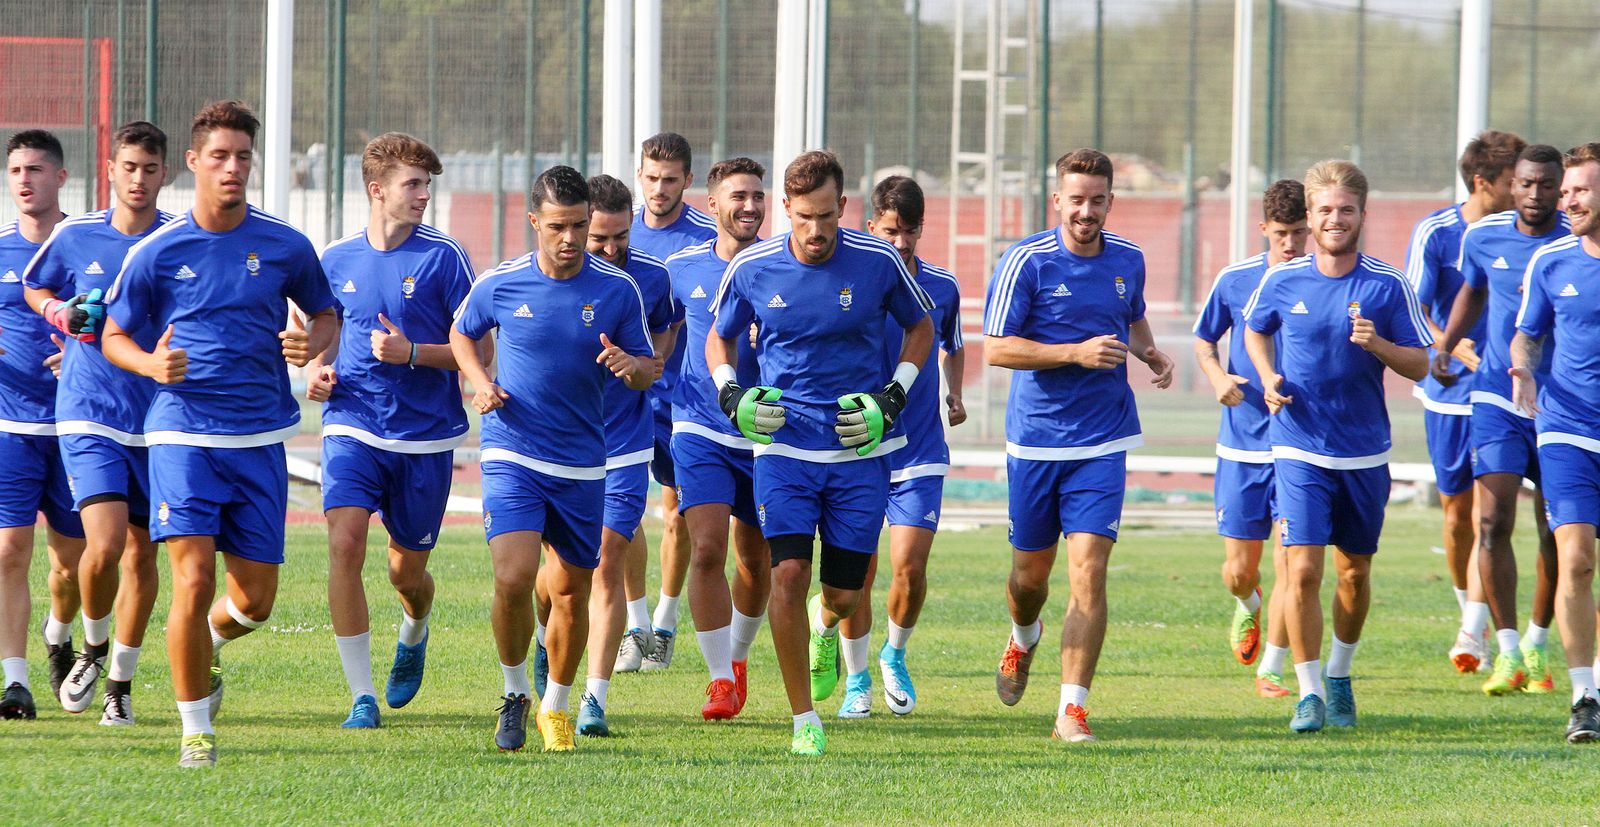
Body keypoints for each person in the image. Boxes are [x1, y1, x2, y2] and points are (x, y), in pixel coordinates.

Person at [102, 100, 339, 766]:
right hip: (181, 435)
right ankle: (195, 731)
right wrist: (150, 364)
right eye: (220, 156)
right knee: (193, 576)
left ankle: (204, 644)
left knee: (256, 601)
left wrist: (312, 344)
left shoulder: (286, 245)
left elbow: (326, 314)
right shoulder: (157, 250)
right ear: (194, 162)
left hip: (259, 438)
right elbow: (113, 333)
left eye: (242, 157)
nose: (233, 167)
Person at [709, 150, 933, 756]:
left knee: (844, 595)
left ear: (843, 208)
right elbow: (718, 338)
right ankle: (804, 718)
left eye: (827, 216)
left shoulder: (879, 261)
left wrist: (893, 395)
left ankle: (825, 623)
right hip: (782, 450)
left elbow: (921, 328)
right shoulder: (753, 267)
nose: (815, 230)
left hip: (858, 452)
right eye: (804, 216)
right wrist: (731, 393)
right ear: (786, 209)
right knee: (786, 573)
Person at [450, 166, 655, 753]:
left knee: (569, 593)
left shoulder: (618, 290)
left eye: (579, 226)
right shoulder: (501, 282)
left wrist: (631, 368)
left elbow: (648, 368)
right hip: (512, 451)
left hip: (583, 463)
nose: (571, 238)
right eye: (558, 226)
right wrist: (480, 381)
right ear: (534, 222)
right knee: (513, 577)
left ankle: (556, 705)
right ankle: (515, 693)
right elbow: (462, 333)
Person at [983, 148, 1175, 744]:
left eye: (1097, 201)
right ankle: (1024, 636)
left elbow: (1131, 315)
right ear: (1056, 201)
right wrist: (1074, 353)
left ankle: (1072, 709)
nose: (1086, 211)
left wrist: (1148, 351)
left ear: (1111, 202)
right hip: (1037, 441)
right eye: (1076, 200)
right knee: (1028, 579)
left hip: (1103, 437)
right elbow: (996, 348)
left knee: (1089, 572)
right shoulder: (1026, 261)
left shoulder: (1129, 259)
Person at [1244, 159, 1432, 733]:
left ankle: (1340, 675)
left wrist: (1379, 346)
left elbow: (1422, 364)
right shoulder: (1282, 279)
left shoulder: (1387, 284)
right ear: (1310, 215)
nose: (1334, 219)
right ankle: (1308, 693)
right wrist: (1267, 375)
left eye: (1345, 210)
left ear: (1362, 215)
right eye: (1324, 209)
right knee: (1301, 569)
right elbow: (1255, 328)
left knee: (1353, 574)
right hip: (1297, 444)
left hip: (1363, 451)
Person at [310, 133, 475, 729]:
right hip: (352, 422)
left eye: (427, 184)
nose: (424, 195)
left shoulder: (446, 258)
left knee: (406, 573)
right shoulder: (335, 259)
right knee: (345, 544)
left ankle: (415, 625)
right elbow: (325, 333)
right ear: (377, 189)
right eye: (413, 184)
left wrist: (412, 354)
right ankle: (361, 696)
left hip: (425, 436)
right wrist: (318, 370)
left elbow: (477, 353)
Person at [21, 122, 173, 725]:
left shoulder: (178, 240)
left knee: (142, 557)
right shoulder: (77, 233)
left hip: (158, 418)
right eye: (129, 167)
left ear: (166, 174)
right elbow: (35, 285)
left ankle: (119, 683)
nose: (138, 179)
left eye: (150, 169)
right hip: (89, 410)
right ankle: (91, 647)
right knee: (104, 545)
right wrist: (59, 312)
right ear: (110, 170)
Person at [1435, 144, 1567, 696]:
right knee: (1491, 523)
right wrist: (1445, 346)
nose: (1535, 194)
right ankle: (1507, 650)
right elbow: (1472, 291)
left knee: (1555, 530)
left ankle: (1538, 642)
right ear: (1512, 185)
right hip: (1495, 397)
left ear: (1562, 188)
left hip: (1560, 404)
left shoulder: (1577, 242)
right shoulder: (1483, 236)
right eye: (1527, 183)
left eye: (1547, 185)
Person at [835, 175, 966, 718]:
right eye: (891, 231)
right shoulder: (851, 283)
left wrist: (955, 392)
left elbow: (951, 344)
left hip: (920, 448)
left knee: (909, 568)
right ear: (871, 227)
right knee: (857, 576)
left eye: (910, 231)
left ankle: (893, 654)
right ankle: (857, 679)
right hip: (860, 447)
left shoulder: (942, 286)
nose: (902, 242)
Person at [1405, 130, 1525, 674]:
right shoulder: (1437, 231)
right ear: (1483, 183)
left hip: (1503, 395)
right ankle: (1468, 613)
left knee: (1489, 516)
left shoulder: (1529, 232)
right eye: (1512, 182)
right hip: (1449, 393)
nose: (1522, 192)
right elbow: (1412, 305)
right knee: (1457, 517)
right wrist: (1450, 345)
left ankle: (1475, 631)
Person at [563, 172, 678, 736]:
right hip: (563, 441)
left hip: (627, 438)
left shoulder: (650, 278)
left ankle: (595, 698)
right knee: (558, 575)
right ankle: (550, 649)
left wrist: (648, 363)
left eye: (620, 238)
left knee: (609, 555)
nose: (610, 250)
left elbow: (668, 329)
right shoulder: (550, 277)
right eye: (599, 239)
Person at [1191, 179, 1308, 698]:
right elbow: (1203, 340)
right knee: (1240, 571)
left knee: (1292, 564)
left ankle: (1272, 670)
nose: (1291, 243)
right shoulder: (1235, 279)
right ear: (1264, 229)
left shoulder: (1320, 280)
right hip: (1241, 446)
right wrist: (1218, 378)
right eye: (1282, 233)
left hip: (1300, 447)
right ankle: (1248, 603)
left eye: (1299, 232)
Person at [668, 157, 772, 722]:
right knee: (706, 548)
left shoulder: (782, 266)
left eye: (757, 196)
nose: (749, 206)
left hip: (766, 436)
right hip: (698, 427)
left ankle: (738, 658)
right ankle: (718, 681)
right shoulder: (681, 268)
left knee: (755, 561)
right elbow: (655, 329)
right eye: (738, 196)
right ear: (712, 205)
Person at [1508, 141, 1600, 743]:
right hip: (1567, 428)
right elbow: (1527, 334)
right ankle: (1584, 697)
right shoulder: (1551, 262)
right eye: (1565, 192)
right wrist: (1522, 367)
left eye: (1580, 191)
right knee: (1577, 558)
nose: (1568, 201)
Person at [621, 132, 718, 670]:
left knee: (678, 512)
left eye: (671, 179)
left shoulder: (707, 237)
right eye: (652, 178)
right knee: (622, 510)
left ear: (688, 181)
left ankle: (665, 619)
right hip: (622, 400)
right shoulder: (613, 231)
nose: (659, 189)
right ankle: (634, 626)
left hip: (683, 400)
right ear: (639, 175)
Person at [0, 129, 86, 720]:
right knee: (9, 550)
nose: (24, 180)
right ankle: (15, 683)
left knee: (72, 564)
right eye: (15, 170)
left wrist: (80, 353)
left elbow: (122, 324)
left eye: (35, 169)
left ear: (60, 177)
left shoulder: (85, 247)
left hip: (79, 427)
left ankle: (59, 633)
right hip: (10, 427)